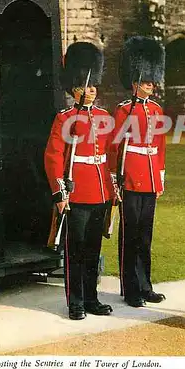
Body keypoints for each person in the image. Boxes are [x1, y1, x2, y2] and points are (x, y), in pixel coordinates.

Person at [44, 42, 114, 320]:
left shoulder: (104, 117)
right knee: (75, 250)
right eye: (86, 86)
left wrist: (112, 188)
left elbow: (109, 154)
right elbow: (53, 157)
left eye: (94, 86)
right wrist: (61, 194)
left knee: (93, 248)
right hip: (77, 192)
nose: (91, 91)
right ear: (74, 89)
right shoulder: (65, 118)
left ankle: (92, 298)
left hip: (100, 192)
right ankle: (75, 302)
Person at [109, 36, 166, 308]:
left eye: (152, 82)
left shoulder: (156, 109)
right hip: (130, 176)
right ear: (135, 84)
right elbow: (114, 146)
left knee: (146, 235)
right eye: (146, 82)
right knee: (130, 234)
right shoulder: (123, 110)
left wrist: (161, 175)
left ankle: (146, 286)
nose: (151, 85)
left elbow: (161, 145)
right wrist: (114, 179)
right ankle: (129, 288)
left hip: (151, 175)